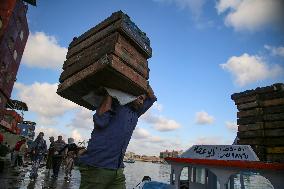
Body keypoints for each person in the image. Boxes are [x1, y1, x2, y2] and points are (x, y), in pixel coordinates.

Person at [78, 86, 156, 189]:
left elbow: (153, 98)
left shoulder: (135, 113)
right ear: (131, 96)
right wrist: (109, 92)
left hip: (117, 169)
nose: (142, 102)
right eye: (140, 98)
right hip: (97, 166)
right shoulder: (116, 104)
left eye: (143, 100)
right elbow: (100, 121)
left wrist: (144, 84)